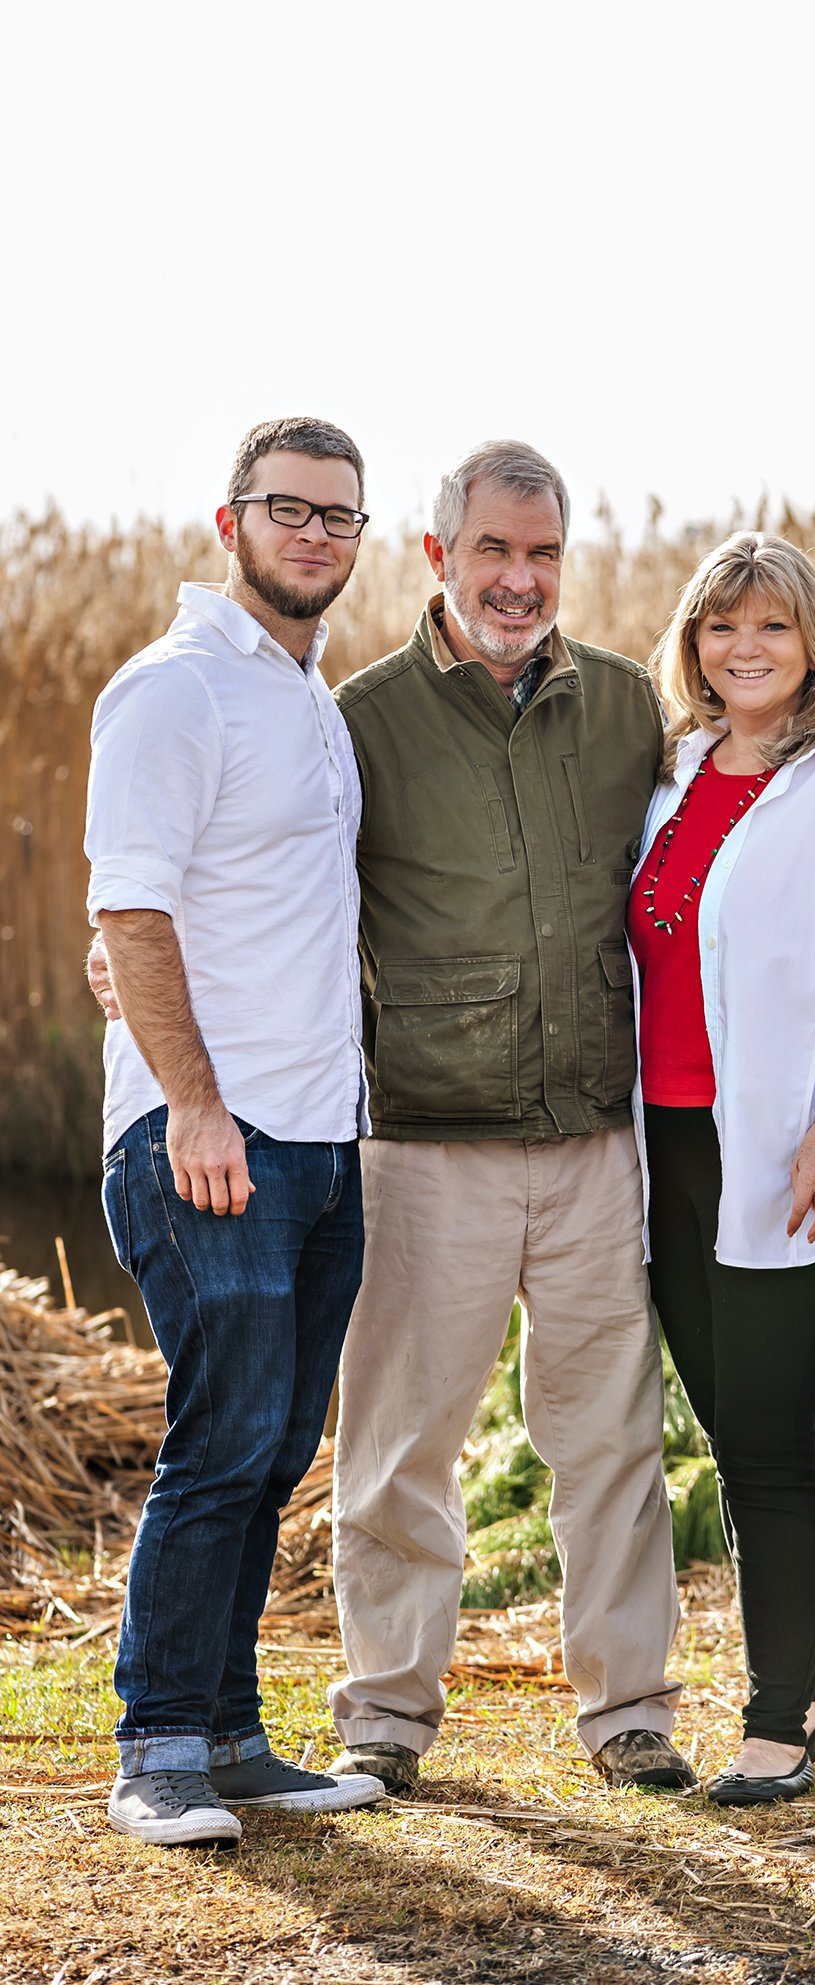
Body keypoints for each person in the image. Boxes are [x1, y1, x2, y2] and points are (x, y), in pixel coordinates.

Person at [326, 441, 692, 1796]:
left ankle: (627, 1713)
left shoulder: (623, 708)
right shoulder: (361, 719)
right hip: (427, 1144)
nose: (518, 578)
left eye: (541, 554)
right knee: (400, 1447)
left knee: (609, 1441)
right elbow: (279, 888)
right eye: (493, 550)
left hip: (594, 1140)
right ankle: (384, 1715)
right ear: (437, 556)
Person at [84, 417, 385, 1845]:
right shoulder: (178, 689)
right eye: (291, 511)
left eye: (340, 517)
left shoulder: (308, 703)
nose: (317, 535)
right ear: (231, 521)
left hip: (321, 1140)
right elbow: (129, 912)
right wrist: (195, 1104)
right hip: (210, 1135)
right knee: (221, 1441)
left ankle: (233, 1737)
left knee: (269, 1448)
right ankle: (156, 1748)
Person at [631, 532, 815, 1805]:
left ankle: (774, 1720)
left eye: (770, 628)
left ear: (814, 644)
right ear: (691, 644)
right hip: (670, 1147)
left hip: (796, 1153)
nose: (741, 649)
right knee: (730, 1423)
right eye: (717, 627)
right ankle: (809, 1677)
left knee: (761, 1432)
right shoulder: (673, 772)